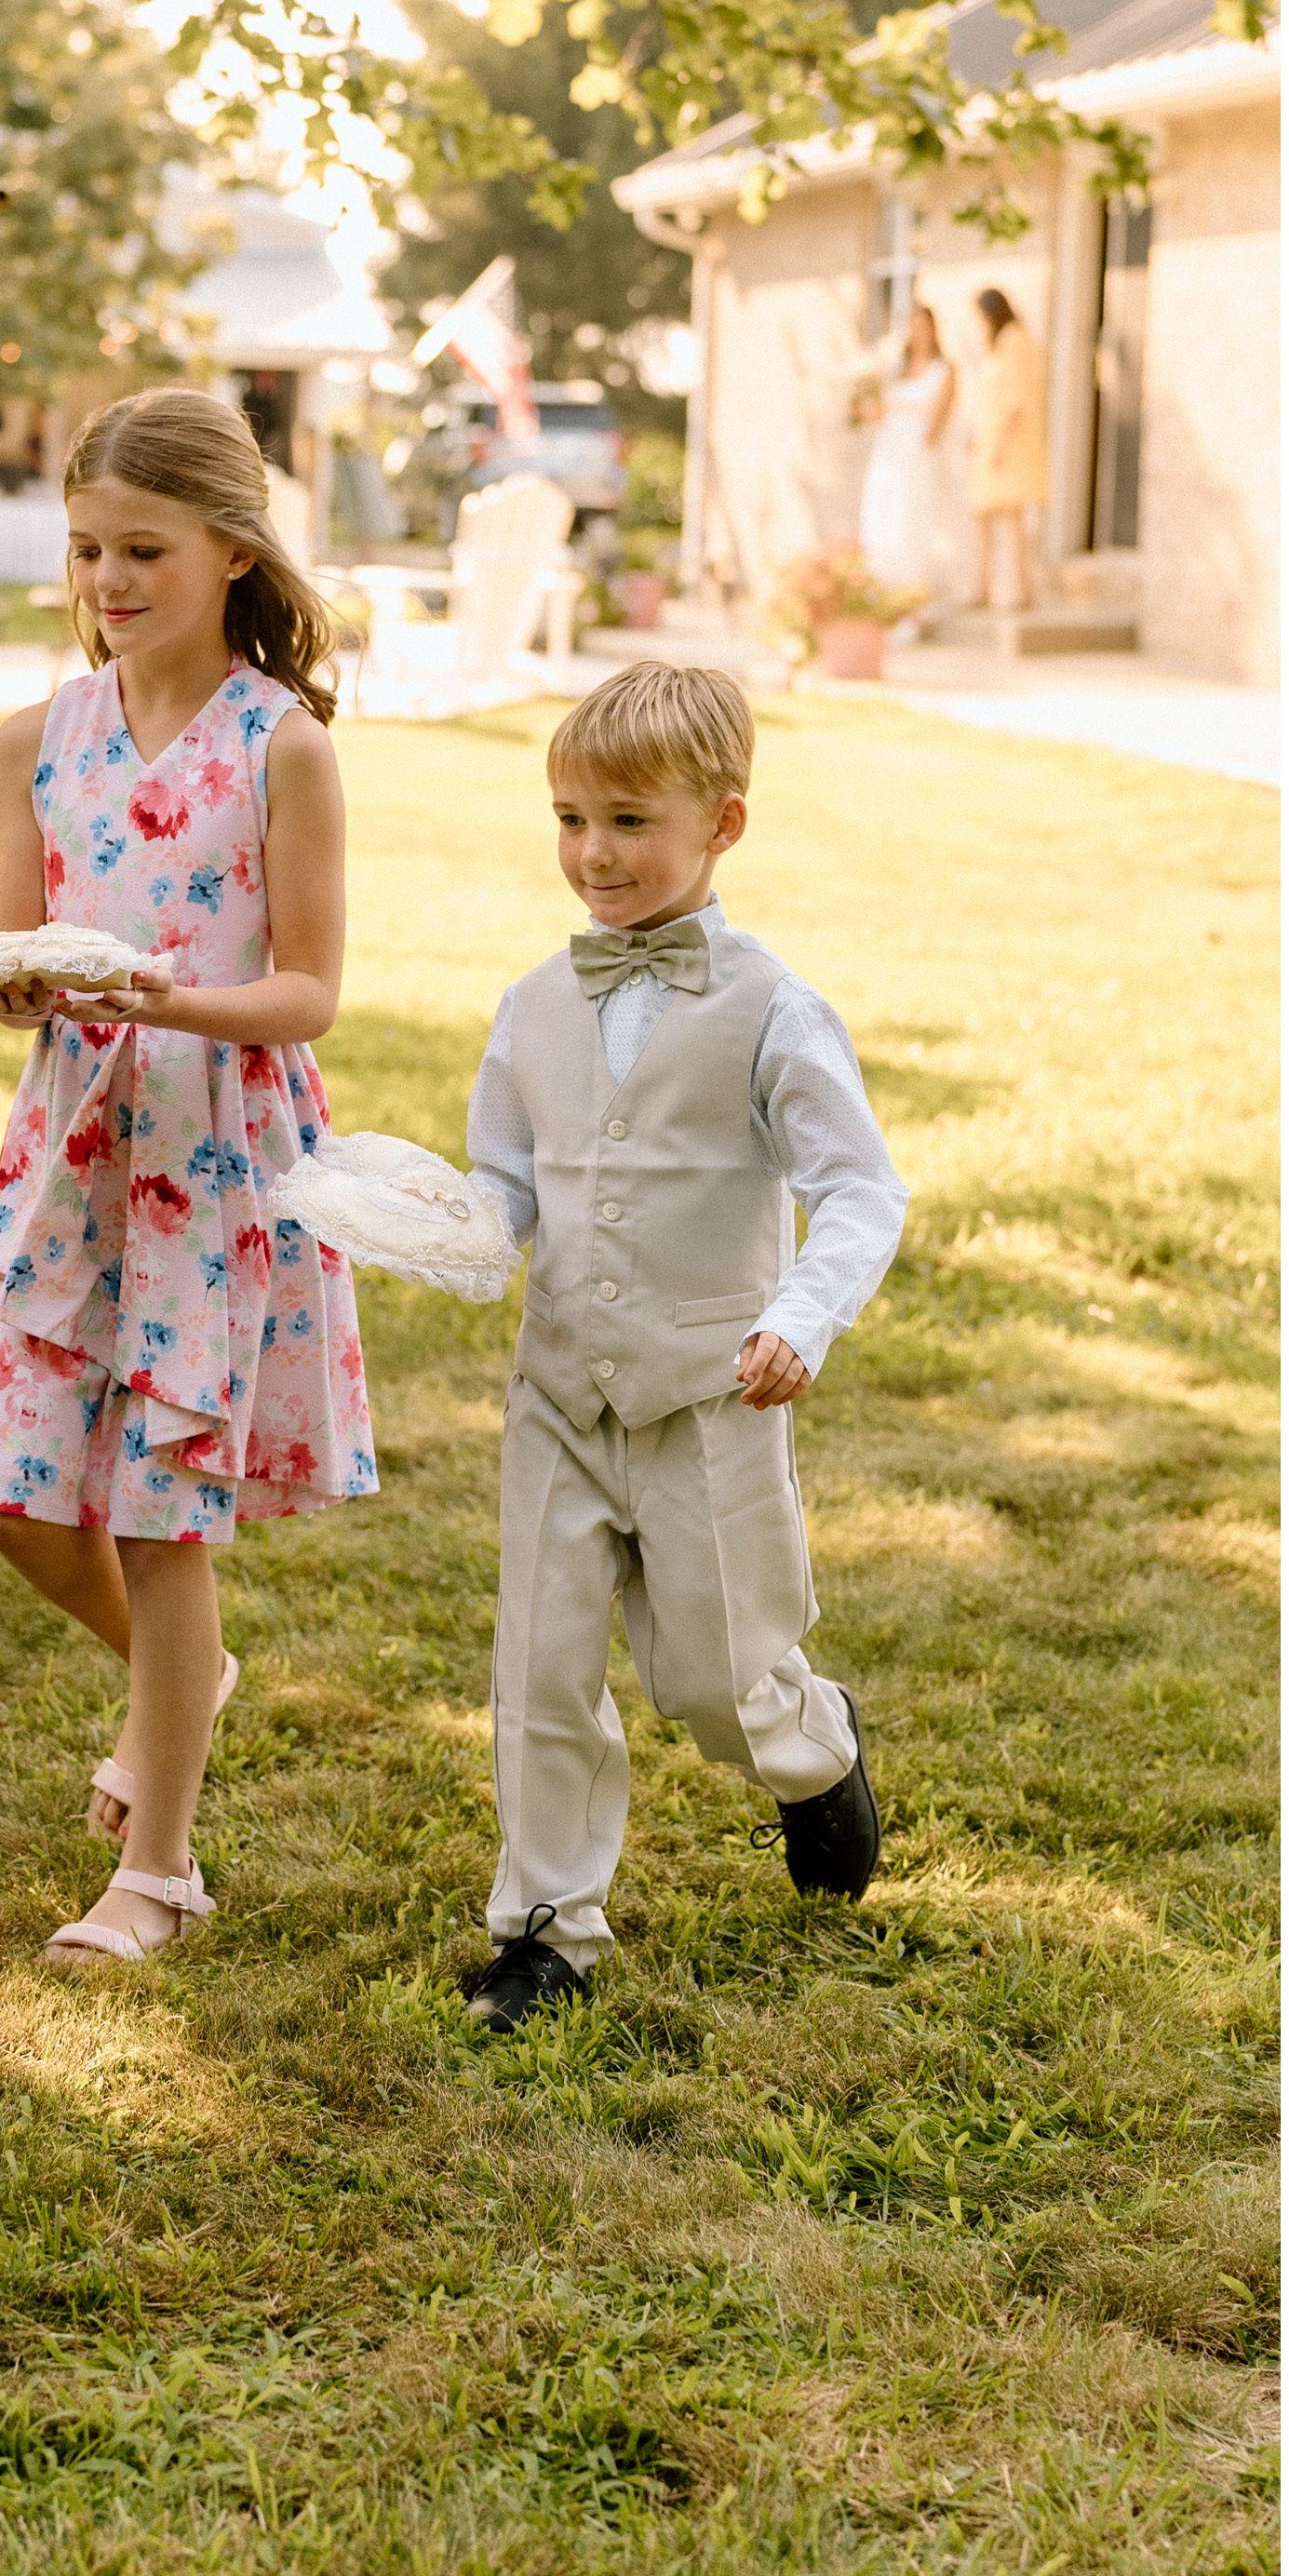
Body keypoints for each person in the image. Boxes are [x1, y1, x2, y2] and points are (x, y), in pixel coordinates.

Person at [0, 388, 377, 1968]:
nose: (108, 581)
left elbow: (309, 992)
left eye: (143, 548)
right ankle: (182, 1684)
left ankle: (163, 1875)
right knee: (15, 1490)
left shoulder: (287, 746)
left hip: (213, 1154)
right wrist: (21, 990)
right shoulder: (32, 742)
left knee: (158, 1514)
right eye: (84, 551)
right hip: (72, 1145)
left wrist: (165, 1001)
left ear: (230, 550)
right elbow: (27, 943)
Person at [454, 662, 909, 2032]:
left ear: (724, 824)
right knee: (538, 1668)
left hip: (713, 1392)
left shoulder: (775, 1009)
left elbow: (858, 1191)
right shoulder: (533, 1005)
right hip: (561, 1395)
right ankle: (546, 1928)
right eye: (570, 818)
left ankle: (811, 1747)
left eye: (631, 823)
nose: (594, 855)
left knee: (714, 1677)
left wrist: (799, 1317)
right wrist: (434, 1224)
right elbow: (506, 1186)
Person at [858, 300, 959, 604]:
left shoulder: (945, 368)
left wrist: (918, 448)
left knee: (912, 520)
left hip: (918, 453)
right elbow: (878, 411)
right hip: (888, 451)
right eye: (913, 326)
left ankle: (915, 598)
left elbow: (941, 415)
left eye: (923, 326)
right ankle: (883, 594)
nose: (918, 332)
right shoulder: (896, 369)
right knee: (881, 518)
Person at [965, 284, 1049, 610]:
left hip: (1008, 443)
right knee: (983, 516)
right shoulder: (999, 345)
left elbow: (1017, 401)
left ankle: (1022, 590)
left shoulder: (1015, 342)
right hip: (992, 440)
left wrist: (998, 444)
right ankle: (983, 587)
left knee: (1012, 517)